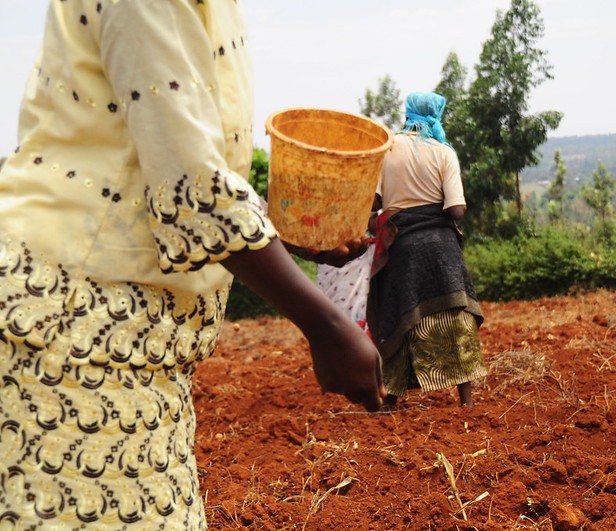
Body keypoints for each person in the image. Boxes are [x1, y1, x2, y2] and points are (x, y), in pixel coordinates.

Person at [0, 1, 383, 529]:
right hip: (71, 328)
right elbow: (188, 178)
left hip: (139, 343)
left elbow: (161, 158)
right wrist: (329, 325)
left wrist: (280, 231)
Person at [367, 92, 487, 408]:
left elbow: (375, 203)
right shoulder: (443, 152)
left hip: (402, 247)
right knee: (454, 315)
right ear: (436, 115)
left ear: (407, 115)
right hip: (441, 249)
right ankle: (466, 401)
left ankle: (391, 402)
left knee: (401, 315)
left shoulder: (387, 148)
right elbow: (457, 210)